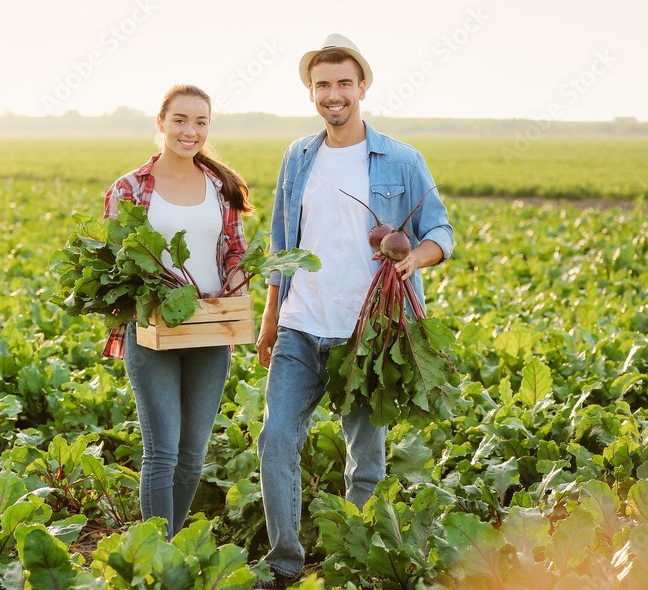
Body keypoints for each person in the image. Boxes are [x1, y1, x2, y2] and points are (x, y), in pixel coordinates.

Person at [252, 34, 454, 588]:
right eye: (323, 85)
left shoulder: (401, 159)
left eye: (344, 83)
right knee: (275, 440)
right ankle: (285, 563)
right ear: (311, 92)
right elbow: (280, 242)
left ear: (362, 86)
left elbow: (441, 228)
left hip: (369, 334)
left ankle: (359, 560)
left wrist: (416, 255)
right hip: (300, 324)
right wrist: (270, 315)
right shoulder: (298, 156)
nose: (333, 94)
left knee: (364, 457)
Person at [102, 84, 252, 540]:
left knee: (192, 455)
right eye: (181, 120)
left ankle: (170, 545)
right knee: (162, 452)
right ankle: (156, 555)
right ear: (161, 122)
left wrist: (238, 285)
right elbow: (114, 263)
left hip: (209, 327)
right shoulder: (129, 188)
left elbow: (234, 251)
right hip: (154, 330)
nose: (191, 131)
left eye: (201, 122)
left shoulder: (219, 186)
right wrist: (152, 295)